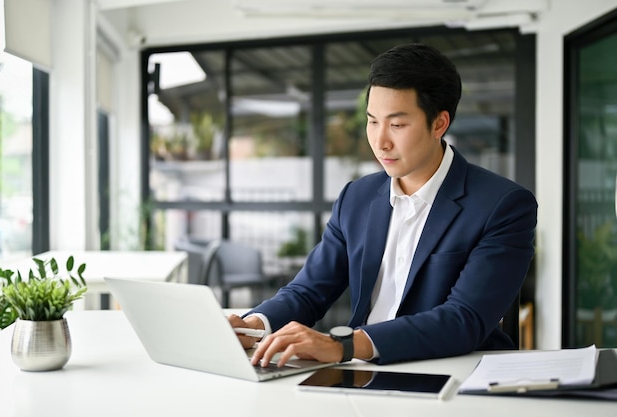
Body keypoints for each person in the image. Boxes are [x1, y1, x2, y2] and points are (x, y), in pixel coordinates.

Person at [228, 43, 537, 367]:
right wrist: (253, 327)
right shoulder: (356, 198)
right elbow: (308, 291)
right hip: (364, 371)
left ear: (439, 124)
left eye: (397, 125)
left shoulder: (503, 205)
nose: (380, 141)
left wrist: (345, 345)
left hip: (451, 372)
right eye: (372, 121)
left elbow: (463, 320)